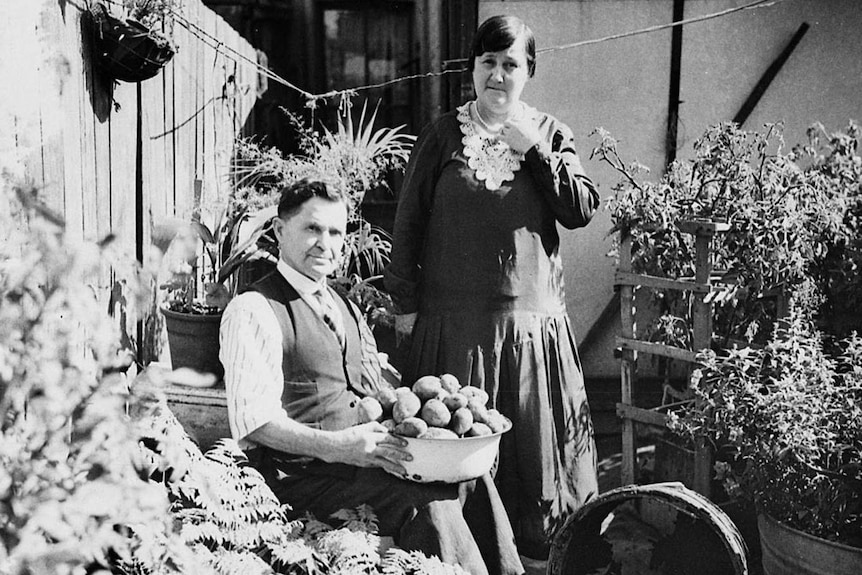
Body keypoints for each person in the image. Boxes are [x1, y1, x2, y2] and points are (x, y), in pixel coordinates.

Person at [219, 178, 524, 575]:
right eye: (312, 228)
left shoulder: (344, 305)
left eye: (334, 232)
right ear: (279, 231)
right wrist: (337, 447)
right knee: (427, 502)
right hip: (301, 478)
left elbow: (374, 386)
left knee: (471, 480)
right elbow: (252, 423)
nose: (324, 243)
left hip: (364, 466)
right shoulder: (254, 309)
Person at [383, 15, 601, 560]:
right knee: (451, 449)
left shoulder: (550, 132)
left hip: (532, 335)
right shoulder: (441, 135)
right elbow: (407, 224)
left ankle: (532, 557)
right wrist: (406, 308)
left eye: (511, 64)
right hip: (453, 329)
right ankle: (460, 555)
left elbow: (579, 211)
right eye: (488, 63)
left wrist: (536, 151)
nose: (498, 75)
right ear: (473, 68)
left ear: (529, 70)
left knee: (532, 468)